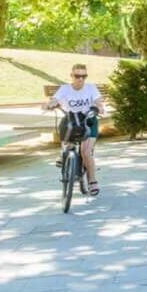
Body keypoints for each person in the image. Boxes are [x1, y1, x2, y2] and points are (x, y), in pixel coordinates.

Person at [43, 63, 105, 196]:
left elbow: (99, 101)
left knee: (86, 152)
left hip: (88, 121)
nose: (80, 79)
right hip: (71, 120)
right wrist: (50, 105)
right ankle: (64, 154)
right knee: (66, 138)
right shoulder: (65, 89)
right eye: (77, 76)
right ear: (72, 76)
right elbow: (55, 100)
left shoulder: (91, 88)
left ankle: (92, 181)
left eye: (84, 76)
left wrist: (98, 107)